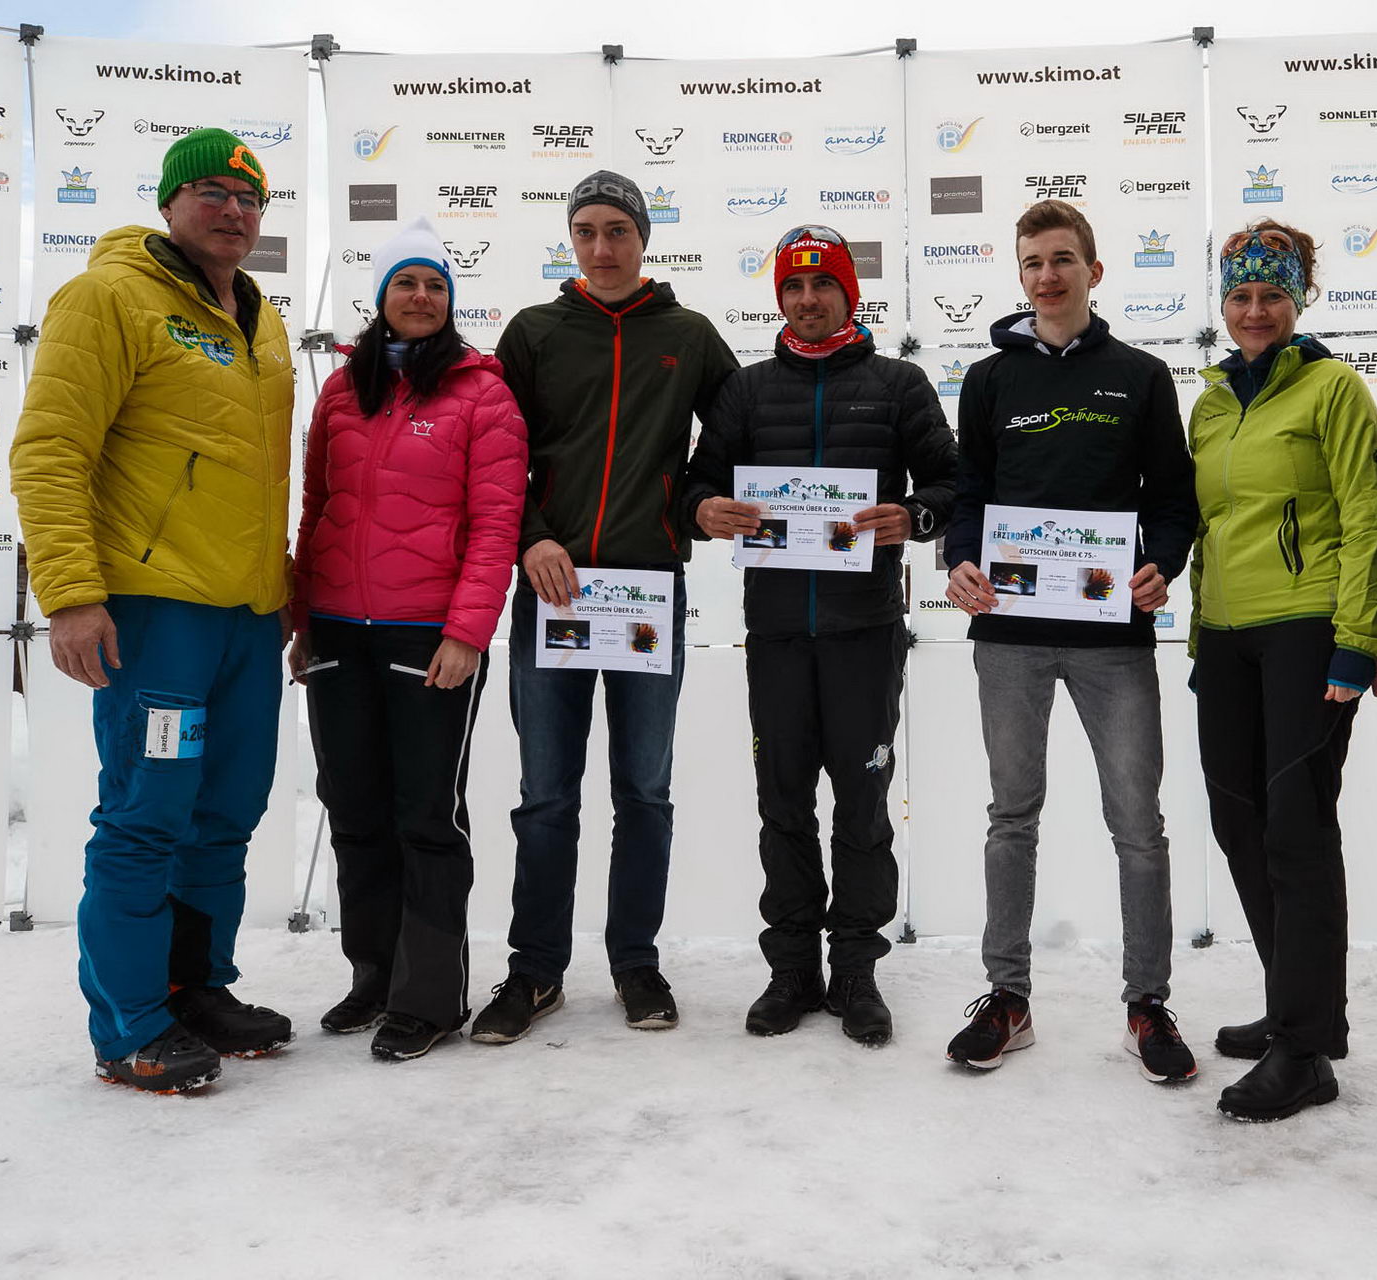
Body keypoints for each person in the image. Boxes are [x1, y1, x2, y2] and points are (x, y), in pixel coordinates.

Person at [11, 128, 295, 1092]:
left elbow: (255, 477)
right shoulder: (110, 297)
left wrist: (283, 587)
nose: (233, 211)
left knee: (227, 813)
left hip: (249, 618)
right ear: (171, 201)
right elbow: (49, 450)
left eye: (250, 200)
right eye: (212, 191)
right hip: (154, 610)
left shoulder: (262, 319)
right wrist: (72, 596)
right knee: (147, 815)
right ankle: (129, 1021)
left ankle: (195, 988)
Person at [471, 170, 738, 1043]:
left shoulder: (689, 336)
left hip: (647, 591)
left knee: (644, 792)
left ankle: (636, 964)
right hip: (552, 589)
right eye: (585, 230)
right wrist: (532, 537)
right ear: (570, 240)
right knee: (546, 794)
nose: (601, 246)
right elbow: (495, 456)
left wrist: (694, 503)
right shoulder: (535, 332)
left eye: (617, 229)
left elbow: (739, 438)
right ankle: (534, 972)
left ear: (643, 237)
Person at [940, 200, 1200, 1083]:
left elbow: (1172, 499)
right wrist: (962, 561)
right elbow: (968, 488)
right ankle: (1006, 998)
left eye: (1062, 259)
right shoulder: (988, 380)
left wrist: (1162, 563)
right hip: (1009, 635)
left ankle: (1147, 1004)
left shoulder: (1140, 375)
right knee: (1012, 816)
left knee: (1138, 824)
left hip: (1111, 637)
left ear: (1094, 269)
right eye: (1032, 263)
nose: (1047, 276)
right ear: (1020, 277)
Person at [683, 225, 956, 1045]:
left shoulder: (898, 384)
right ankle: (792, 968)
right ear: (780, 299)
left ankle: (858, 971)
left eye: (823, 286)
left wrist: (914, 516)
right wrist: (702, 510)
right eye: (794, 288)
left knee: (864, 806)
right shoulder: (746, 390)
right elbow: (697, 481)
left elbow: (950, 480)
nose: (808, 301)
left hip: (865, 633)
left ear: (848, 295)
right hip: (774, 634)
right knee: (783, 804)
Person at [288, 218, 527, 1061]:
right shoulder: (340, 392)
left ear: (450, 302)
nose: (420, 298)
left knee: (427, 817)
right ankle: (374, 975)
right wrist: (300, 614)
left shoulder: (481, 393)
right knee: (353, 810)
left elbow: (498, 526)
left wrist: (466, 632)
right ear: (381, 298)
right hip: (335, 635)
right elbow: (316, 509)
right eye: (405, 284)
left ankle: (428, 998)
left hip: (427, 636)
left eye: (434, 286)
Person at [1188, 221, 1377, 1121]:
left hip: (1308, 630)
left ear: (1297, 301)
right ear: (1225, 305)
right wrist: (1198, 629)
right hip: (1225, 638)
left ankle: (1308, 1050)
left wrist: (1357, 641)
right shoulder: (1213, 402)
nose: (1256, 310)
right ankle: (1289, 1005)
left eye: (1272, 295)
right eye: (1241, 296)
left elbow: (1365, 514)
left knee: (1296, 835)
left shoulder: (1334, 388)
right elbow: (1208, 527)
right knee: (1240, 828)